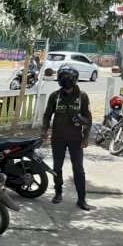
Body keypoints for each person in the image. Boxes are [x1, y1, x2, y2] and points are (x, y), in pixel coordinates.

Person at [41, 66, 92, 211]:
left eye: (70, 77)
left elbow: (88, 118)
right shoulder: (55, 96)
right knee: (57, 167)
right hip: (58, 138)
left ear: (75, 79)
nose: (66, 80)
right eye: (63, 77)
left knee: (79, 169)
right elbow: (47, 115)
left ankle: (81, 199)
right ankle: (58, 193)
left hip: (76, 138)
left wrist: (86, 137)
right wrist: (44, 130)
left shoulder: (82, 96)